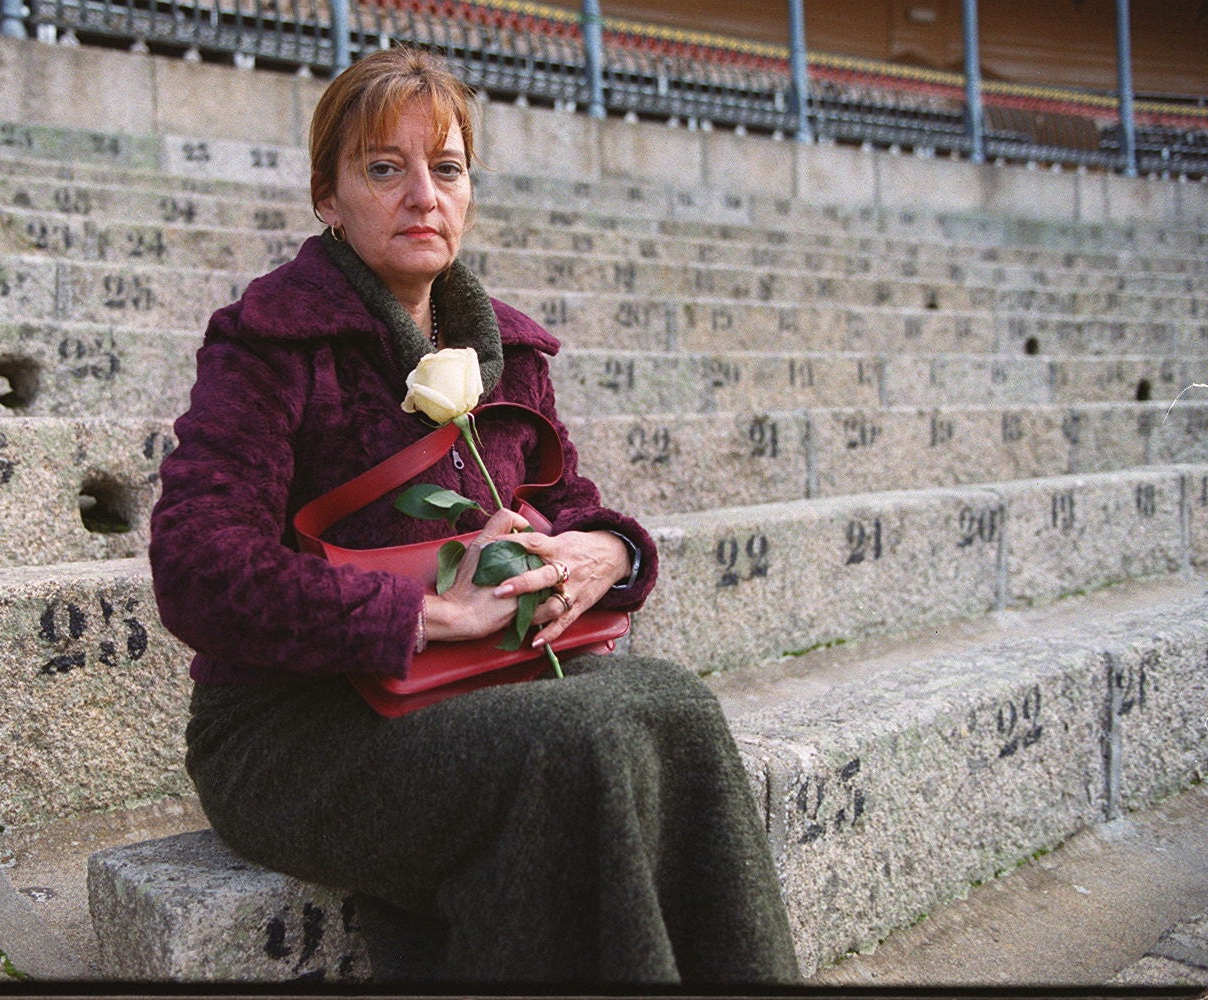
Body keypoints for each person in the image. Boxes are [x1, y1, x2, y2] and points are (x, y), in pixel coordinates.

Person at [149, 45, 799, 986]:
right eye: (384, 168)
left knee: (679, 708)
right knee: (576, 743)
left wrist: (605, 554)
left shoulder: (510, 353)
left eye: (445, 169)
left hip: (480, 688)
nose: (423, 196)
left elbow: (574, 507)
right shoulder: (272, 344)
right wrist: (416, 611)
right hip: (296, 730)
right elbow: (197, 566)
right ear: (327, 197)